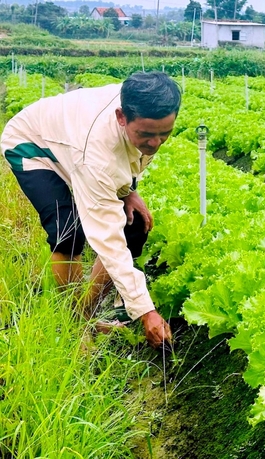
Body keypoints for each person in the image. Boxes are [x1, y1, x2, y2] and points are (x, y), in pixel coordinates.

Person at [1, 71, 180, 349]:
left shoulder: (145, 105)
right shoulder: (96, 154)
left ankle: (87, 313)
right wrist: (146, 311)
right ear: (122, 117)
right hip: (33, 145)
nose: (155, 143)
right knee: (67, 230)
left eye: (164, 134)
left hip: (74, 143)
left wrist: (129, 190)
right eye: (146, 134)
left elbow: (130, 159)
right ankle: (75, 324)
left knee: (133, 227)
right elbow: (106, 239)